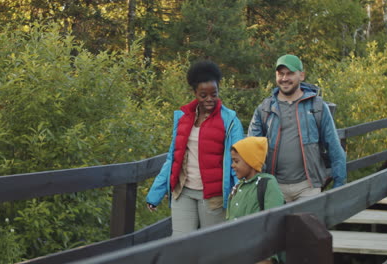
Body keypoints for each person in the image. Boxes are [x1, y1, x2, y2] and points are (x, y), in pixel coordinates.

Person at [146, 60, 244, 237]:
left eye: (214, 94)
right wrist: (155, 194)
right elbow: (172, 158)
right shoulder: (183, 118)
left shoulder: (230, 121)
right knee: (180, 244)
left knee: (211, 247)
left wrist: (240, 194)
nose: (209, 100)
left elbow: (239, 161)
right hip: (183, 192)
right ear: (194, 93)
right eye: (203, 95)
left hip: (213, 197)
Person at [247, 54, 346, 203]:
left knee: (306, 226)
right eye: (281, 74)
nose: (284, 78)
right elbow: (250, 151)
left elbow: (334, 146)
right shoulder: (264, 109)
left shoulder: (318, 107)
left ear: (302, 75)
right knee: (276, 227)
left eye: (290, 73)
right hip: (274, 186)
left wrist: (339, 184)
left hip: (308, 186)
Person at [226, 136, 284, 264]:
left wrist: (269, 258)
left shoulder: (268, 183)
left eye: (236, 161)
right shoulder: (236, 188)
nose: (232, 165)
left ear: (250, 161)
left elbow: (274, 223)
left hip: (259, 255)